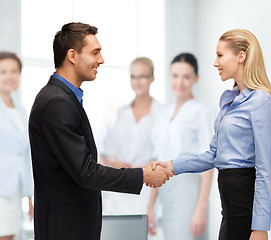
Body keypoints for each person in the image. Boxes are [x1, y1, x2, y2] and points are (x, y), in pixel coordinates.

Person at [28, 22, 172, 240]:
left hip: (72, 223)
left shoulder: (64, 98)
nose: (101, 60)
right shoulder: (57, 103)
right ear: (72, 56)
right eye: (95, 52)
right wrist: (142, 175)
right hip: (65, 227)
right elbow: (86, 172)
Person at [151, 29, 271, 240]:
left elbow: (265, 168)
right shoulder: (230, 101)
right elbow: (214, 154)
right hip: (229, 208)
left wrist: (260, 227)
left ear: (241, 56)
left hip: (244, 204)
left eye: (220, 55)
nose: (215, 62)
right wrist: (172, 166)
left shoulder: (261, 102)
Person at [148, 53, 215, 240]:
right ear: (169, 76)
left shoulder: (202, 112)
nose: (180, 82)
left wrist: (201, 209)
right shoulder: (163, 113)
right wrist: (151, 206)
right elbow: (156, 160)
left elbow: (209, 163)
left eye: (186, 77)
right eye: (175, 76)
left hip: (189, 194)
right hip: (165, 192)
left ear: (196, 78)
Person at [100, 57, 162, 215]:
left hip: (144, 190)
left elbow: (161, 161)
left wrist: (151, 208)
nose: (137, 81)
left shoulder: (161, 114)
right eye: (133, 76)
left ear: (152, 78)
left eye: (142, 76)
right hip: (118, 189)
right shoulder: (121, 112)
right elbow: (104, 154)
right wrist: (115, 162)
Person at [0, 52, 34, 240]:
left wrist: (29, 197)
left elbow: (25, 154)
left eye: (14, 71)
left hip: (15, 190)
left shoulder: (21, 111)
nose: (9, 76)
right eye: (3, 71)